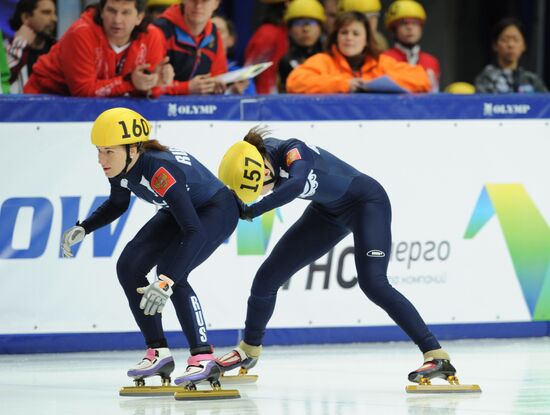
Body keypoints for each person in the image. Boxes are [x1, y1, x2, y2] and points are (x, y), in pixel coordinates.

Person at [215, 127, 457, 387]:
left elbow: (296, 185)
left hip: (367, 204)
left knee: (374, 284)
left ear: (264, 172)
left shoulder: (293, 151)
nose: (259, 196)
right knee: (267, 278)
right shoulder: (255, 157)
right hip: (327, 212)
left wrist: (253, 210)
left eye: (257, 191)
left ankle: (436, 355)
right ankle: (249, 349)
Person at [60, 107, 240, 387]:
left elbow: (193, 230)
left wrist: (166, 280)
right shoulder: (121, 166)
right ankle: (158, 351)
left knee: (172, 272)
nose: (101, 160)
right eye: (99, 151)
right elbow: (118, 203)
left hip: (215, 210)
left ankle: (203, 356)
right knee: (129, 266)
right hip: (178, 209)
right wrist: (85, 227)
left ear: (133, 149)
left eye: (109, 152)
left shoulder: (159, 171)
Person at [24, 0, 173, 97]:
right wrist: (131, 82)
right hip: (43, 98)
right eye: (111, 11)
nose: (117, 20)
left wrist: (157, 83)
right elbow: (83, 91)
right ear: (101, 11)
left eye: (125, 12)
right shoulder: (81, 33)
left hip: (92, 105)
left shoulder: (152, 36)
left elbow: (150, 93)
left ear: (139, 17)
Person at [286, 11, 430, 94]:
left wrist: (373, 85)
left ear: (367, 39)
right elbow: (295, 82)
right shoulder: (322, 60)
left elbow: (421, 78)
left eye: (356, 33)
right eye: (344, 32)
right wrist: (345, 84)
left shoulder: (381, 62)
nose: (349, 38)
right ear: (336, 37)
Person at [153, 0, 227, 95]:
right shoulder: (159, 31)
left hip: (201, 107)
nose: (198, 5)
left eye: (205, 1)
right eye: (193, 0)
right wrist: (186, 88)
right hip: (160, 108)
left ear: (216, 3)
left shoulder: (214, 34)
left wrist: (226, 87)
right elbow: (148, 86)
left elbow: (219, 77)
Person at [475, 17, 547, 94]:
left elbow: (545, 103)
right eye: (504, 40)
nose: (510, 45)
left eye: (516, 40)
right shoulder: (486, 78)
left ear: (524, 46)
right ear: (495, 45)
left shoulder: (531, 80)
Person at [383, 0, 440, 92]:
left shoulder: (431, 61)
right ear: (394, 29)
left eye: (415, 23)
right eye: (404, 23)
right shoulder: (384, 59)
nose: (410, 28)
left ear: (421, 28)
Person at [4, 0, 57, 93]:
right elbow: (4, 79)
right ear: (26, 17)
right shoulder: (5, 48)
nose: (54, 19)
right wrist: (20, 44)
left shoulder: (57, 50)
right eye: (46, 13)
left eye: (54, 13)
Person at [278, 0, 326, 92]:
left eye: (311, 23)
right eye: (299, 23)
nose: (306, 29)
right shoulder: (285, 62)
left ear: (321, 28)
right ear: (290, 30)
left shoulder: (331, 60)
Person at [244, 0, 288, 94]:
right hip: (266, 98)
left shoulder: (288, 32)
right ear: (286, 4)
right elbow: (249, 72)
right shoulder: (267, 33)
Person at [211, 14, 255, 95]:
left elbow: (252, 105)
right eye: (210, 31)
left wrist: (237, 95)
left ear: (231, 40)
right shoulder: (193, 70)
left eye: (219, 31)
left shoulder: (242, 75)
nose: (214, 35)